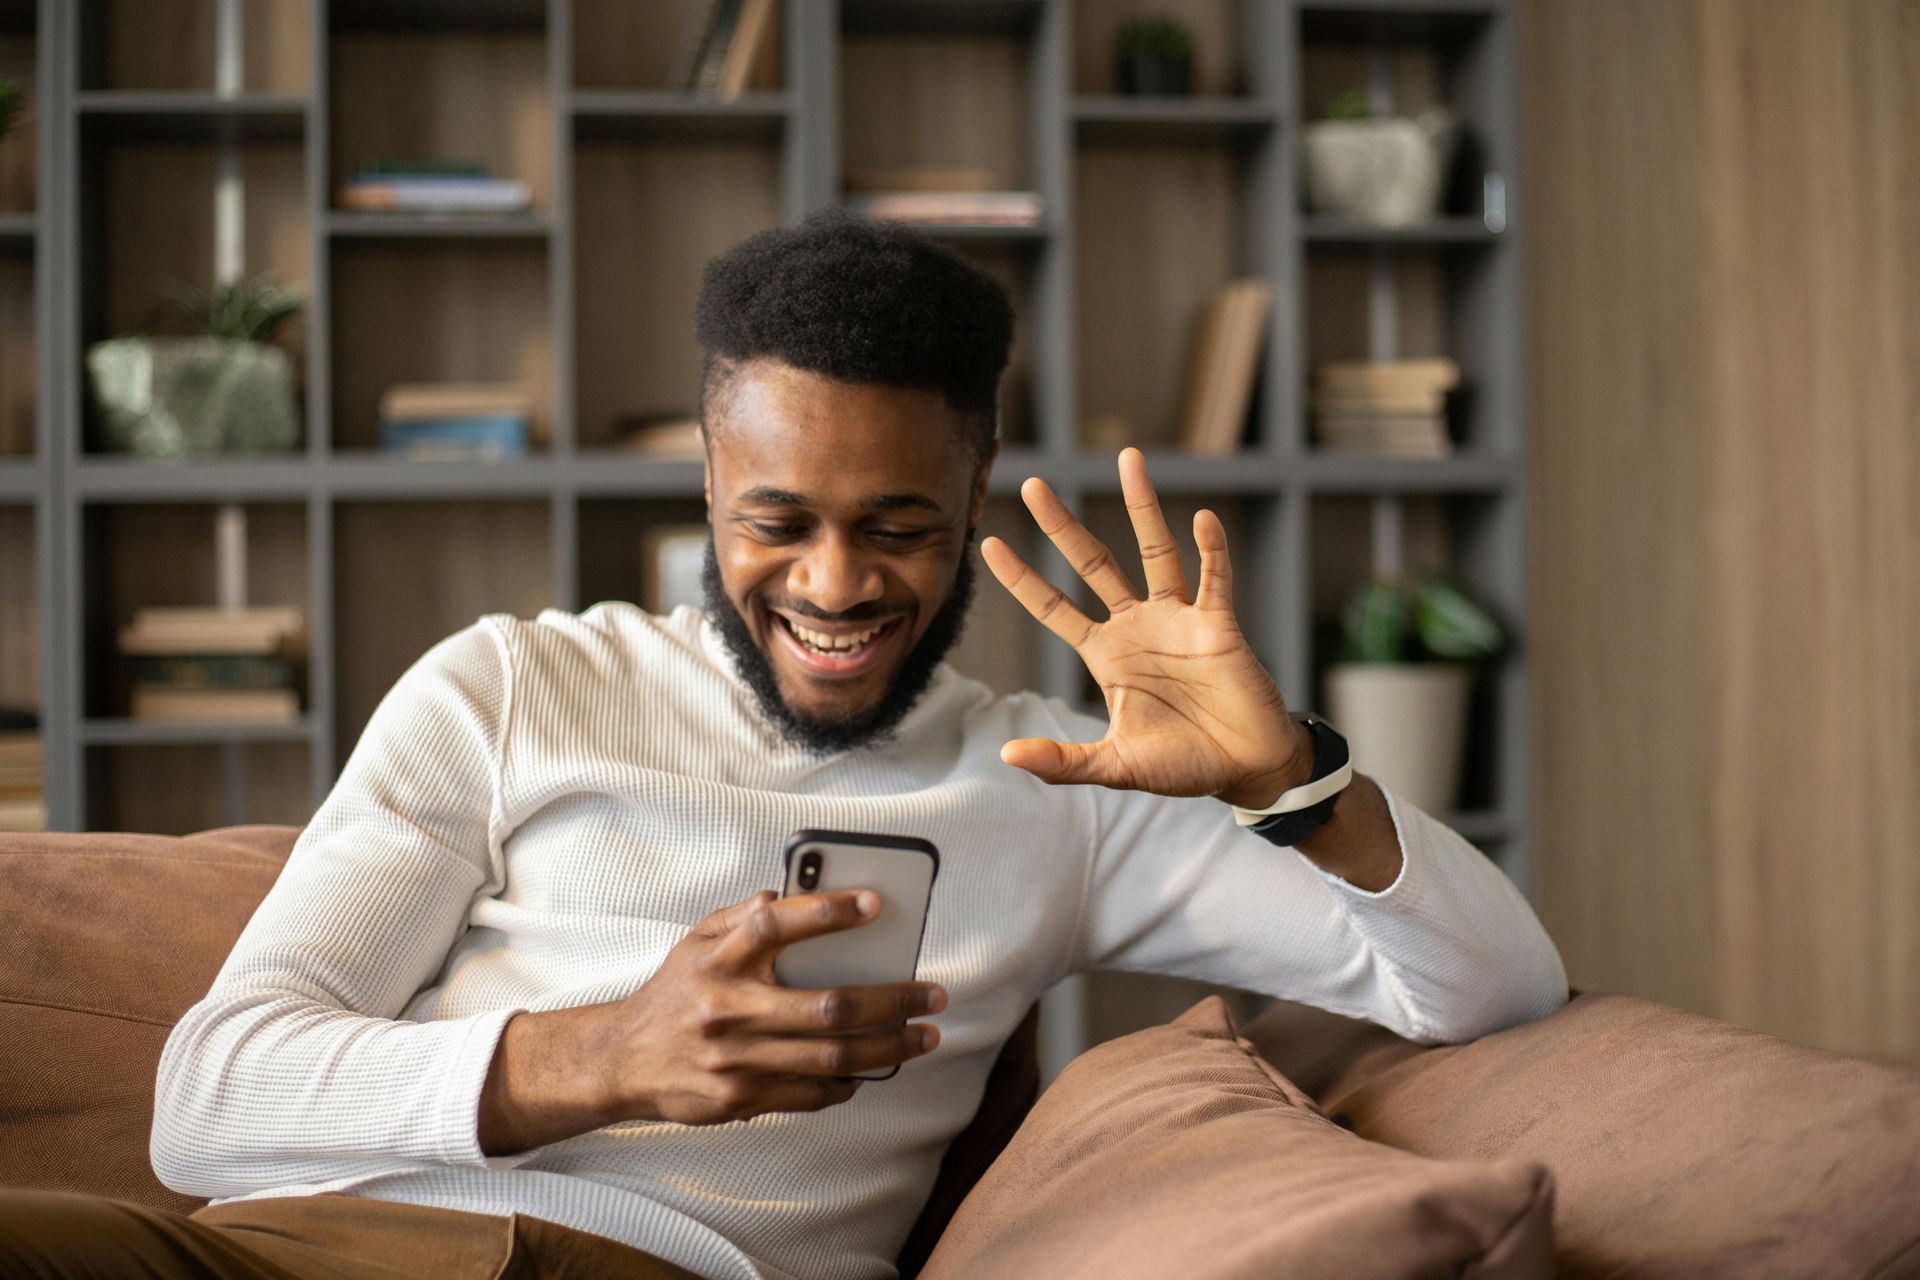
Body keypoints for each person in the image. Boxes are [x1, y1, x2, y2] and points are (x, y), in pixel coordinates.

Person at [0, 207, 1567, 1280]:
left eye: (897, 526)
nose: (832, 586)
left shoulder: (1059, 787)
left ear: (975, 491)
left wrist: (1293, 774)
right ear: (704, 483)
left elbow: (1500, 989)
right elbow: (206, 1104)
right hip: (295, 1252)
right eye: (779, 522)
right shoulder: (515, 685)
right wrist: (597, 1058)